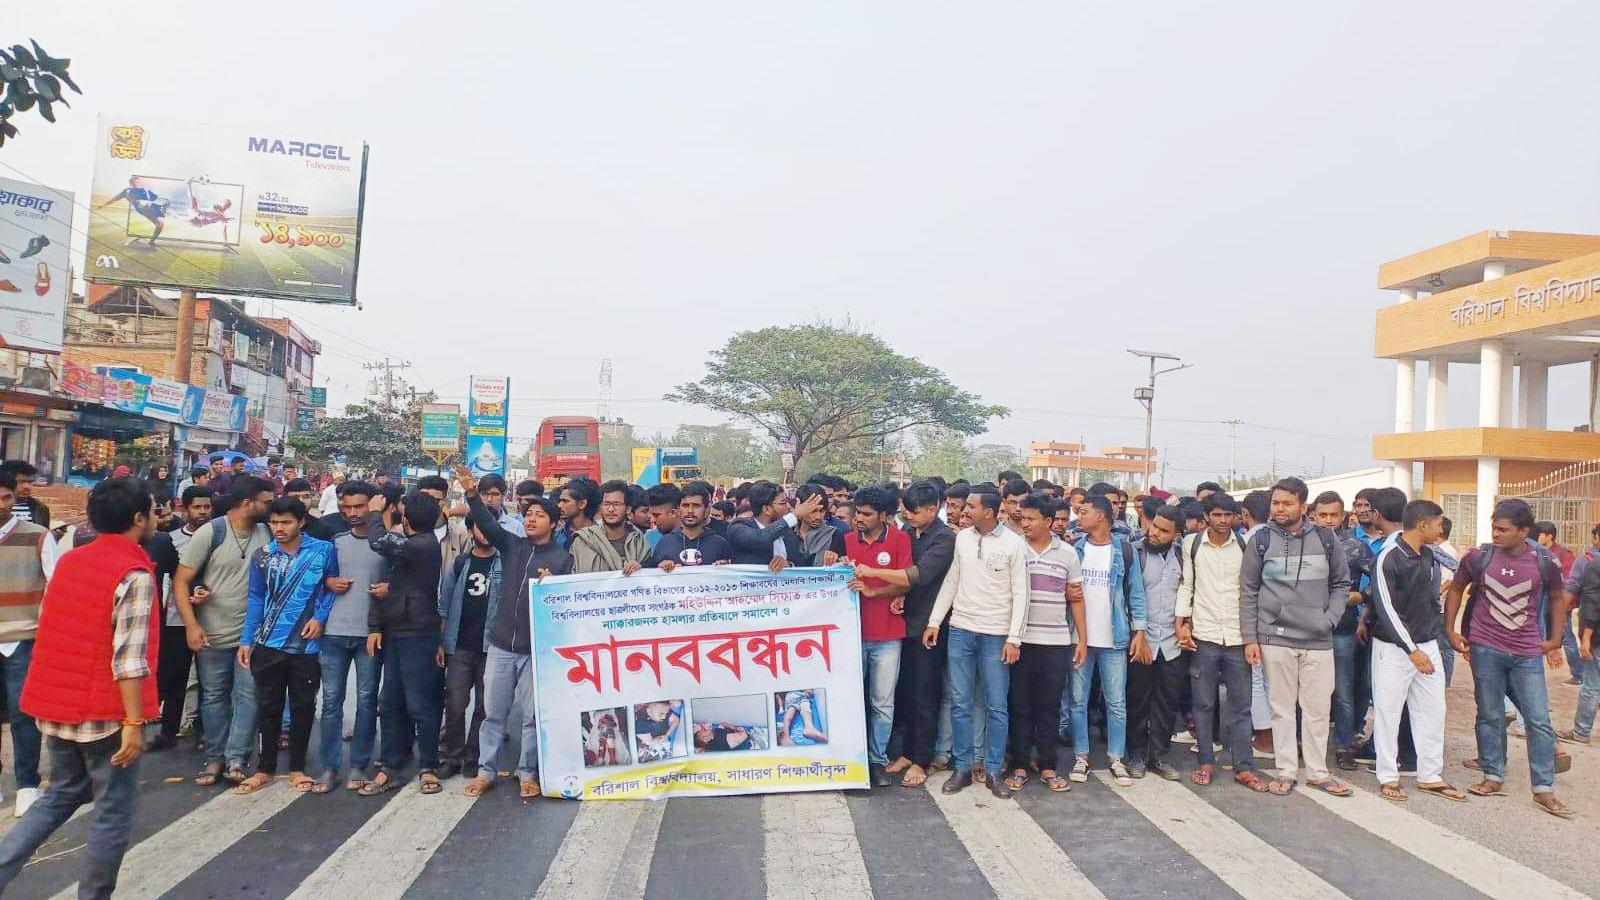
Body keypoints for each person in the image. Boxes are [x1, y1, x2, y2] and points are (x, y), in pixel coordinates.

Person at [0, 477, 157, 897]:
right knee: (112, 811)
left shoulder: (71, 561)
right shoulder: (134, 573)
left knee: (61, 794)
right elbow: (129, 659)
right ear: (138, 519)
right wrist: (134, 722)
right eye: (152, 512)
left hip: (55, 703)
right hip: (103, 713)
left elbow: (55, 629)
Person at [1445, 498, 1573, 817]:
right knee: (1489, 714)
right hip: (1485, 648)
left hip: (1526, 652)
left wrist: (1556, 638)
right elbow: (1457, 588)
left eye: (1504, 529)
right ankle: (1492, 775)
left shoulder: (1543, 562)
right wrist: (1451, 629)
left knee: (1538, 719)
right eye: (1494, 528)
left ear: (1523, 531)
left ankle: (1543, 788)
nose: (1497, 534)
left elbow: (1559, 597)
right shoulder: (1479, 557)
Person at [460, 468, 571, 799]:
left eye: (539, 515)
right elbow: (487, 522)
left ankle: (527, 772)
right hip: (500, 645)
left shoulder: (562, 559)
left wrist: (554, 587)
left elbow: (566, 606)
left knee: (531, 716)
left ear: (554, 524)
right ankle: (486, 771)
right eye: (528, 514)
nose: (532, 519)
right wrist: (471, 495)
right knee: (492, 712)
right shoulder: (511, 545)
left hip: (536, 650)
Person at [1241, 477, 1351, 797]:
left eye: (1287, 503)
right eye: (1276, 503)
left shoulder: (1326, 539)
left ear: (1304, 507)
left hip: (1318, 638)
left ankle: (1318, 772)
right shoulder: (1260, 541)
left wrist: (1329, 618)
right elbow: (1248, 591)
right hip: (1274, 637)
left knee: (1317, 708)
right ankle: (1286, 770)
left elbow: (1341, 584)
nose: (1280, 509)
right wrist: (1251, 637)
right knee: (1282, 708)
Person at [924, 488, 1027, 798]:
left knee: (997, 704)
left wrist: (1014, 638)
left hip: (996, 635)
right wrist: (934, 621)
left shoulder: (1013, 544)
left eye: (971, 505)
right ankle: (963, 767)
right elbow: (953, 579)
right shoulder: (963, 538)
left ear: (990, 512)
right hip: (961, 630)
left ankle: (993, 769)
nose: (964, 510)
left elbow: (1022, 593)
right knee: (960, 701)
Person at [175, 476, 274, 787]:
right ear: (248, 503)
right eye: (266, 502)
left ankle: (237, 759)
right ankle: (215, 758)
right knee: (215, 696)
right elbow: (181, 581)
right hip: (212, 633)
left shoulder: (267, 532)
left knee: (248, 696)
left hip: (252, 636)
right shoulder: (211, 532)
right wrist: (191, 624)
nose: (270, 508)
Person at [234, 498, 335, 795]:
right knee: (268, 706)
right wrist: (246, 639)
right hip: (267, 643)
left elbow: (331, 588)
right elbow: (255, 598)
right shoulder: (263, 556)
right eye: (274, 523)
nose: (279, 528)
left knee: (303, 707)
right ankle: (264, 769)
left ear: (301, 522)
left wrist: (320, 618)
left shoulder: (323, 551)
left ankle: (297, 768)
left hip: (307, 646)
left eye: (286, 522)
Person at [860, 481, 953, 788]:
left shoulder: (943, 539)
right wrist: (891, 592)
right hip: (904, 625)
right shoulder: (911, 535)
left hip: (930, 627)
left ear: (933, 508)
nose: (909, 517)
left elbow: (916, 575)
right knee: (908, 694)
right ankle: (907, 752)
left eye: (914, 512)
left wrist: (871, 573)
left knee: (926, 694)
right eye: (906, 512)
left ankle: (922, 760)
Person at [1370, 499, 1465, 802]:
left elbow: (1460, 572)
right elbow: (1385, 608)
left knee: (1433, 711)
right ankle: (1388, 775)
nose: (1442, 528)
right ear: (1423, 524)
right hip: (1395, 649)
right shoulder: (1388, 557)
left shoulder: (1430, 554)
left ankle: (1430, 774)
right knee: (1389, 711)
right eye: (1438, 522)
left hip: (1428, 644)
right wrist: (1410, 649)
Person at [360, 489, 446, 797]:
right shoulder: (417, 544)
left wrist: (374, 511)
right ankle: (391, 766)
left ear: (407, 517)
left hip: (418, 634)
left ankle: (428, 766)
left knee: (419, 703)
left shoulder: (421, 544)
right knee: (391, 701)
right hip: (398, 630)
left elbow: (378, 541)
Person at [1177, 492, 1262, 790]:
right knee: (1203, 704)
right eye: (1217, 515)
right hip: (1205, 635)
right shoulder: (1193, 544)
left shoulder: (1245, 544)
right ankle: (1205, 761)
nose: (1223, 521)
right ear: (1206, 517)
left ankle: (1244, 766)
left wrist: (1253, 634)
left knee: (1241, 706)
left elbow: (1253, 589)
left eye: (1229, 515)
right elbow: (1187, 585)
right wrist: (1181, 623)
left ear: (1237, 517)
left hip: (1239, 637)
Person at [1002, 492, 1085, 793]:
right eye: (1023, 518)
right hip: (1020, 640)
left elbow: (1076, 599)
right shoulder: (1014, 549)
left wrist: (1082, 640)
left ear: (1049, 522)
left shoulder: (1068, 554)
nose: (1025, 524)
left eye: (1031, 519)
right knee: (1020, 705)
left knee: (1049, 707)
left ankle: (1048, 765)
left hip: (1056, 642)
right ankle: (1019, 764)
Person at [1068, 493, 1148, 787]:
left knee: (1116, 702)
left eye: (1084, 511)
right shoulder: (1075, 550)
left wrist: (1139, 631)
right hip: (1080, 639)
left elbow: (1136, 594)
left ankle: (1116, 757)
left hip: (1114, 638)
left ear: (1100, 515)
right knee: (1077, 700)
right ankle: (1081, 756)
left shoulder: (1123, 551)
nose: (1079, 517)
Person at [317, 481, 386, 792]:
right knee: (331, 701)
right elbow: (315, 578)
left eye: (359, 506)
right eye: (347, 507)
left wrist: (390, 589)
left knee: (367, 700)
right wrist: (328, 581)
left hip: (370, 635)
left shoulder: (386, 543)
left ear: (372, 505)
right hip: (333, 632)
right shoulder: (334, 542)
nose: (353, 513)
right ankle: (330, 767)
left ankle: (359, 764)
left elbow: (405, 581)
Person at [844, 484, 912, 787]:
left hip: (887, 634)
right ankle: (851, 758)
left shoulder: (900, 540)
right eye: (857, 512)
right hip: (850, 634)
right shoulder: (844, 540)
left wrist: (874, 588)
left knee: (882, 702)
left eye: (866, 514)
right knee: (851, 699)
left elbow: (906, 582)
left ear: (884, 516)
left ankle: (877, 759)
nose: (859, 518)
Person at [0, 470, 56, 815]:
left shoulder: (38, 537)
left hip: (23, 639)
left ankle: (27, 784)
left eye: (6, 498)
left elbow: (57, 588)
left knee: (24, 713)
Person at [150, 486, 212, 753]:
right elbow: (166, 579)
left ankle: (205, 731)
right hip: (175, 619)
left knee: (210, 680)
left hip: (212, 618)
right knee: (174, 677)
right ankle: (169, 730)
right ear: (184, 509)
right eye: (197, 507)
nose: (203, 512)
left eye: (207, 507)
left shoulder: (218, 537)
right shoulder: (169, 540)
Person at [1127, 504, 1186, 781]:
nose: (1155, 533)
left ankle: (1159, 757)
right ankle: (1136, 756)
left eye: (1164, 531)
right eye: (1154, 526)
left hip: (1172, 644)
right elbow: (1126, 597)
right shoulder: (1135, 553)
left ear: (1176, 535)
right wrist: (1136, 635)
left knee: (1166, 703)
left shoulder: (1184, 557)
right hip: (1142, 641)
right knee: (1138, 701)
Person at [437, 520, 498, 780]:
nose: (484, 534)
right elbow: (444, 603)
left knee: (485, 706)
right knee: (455, 703)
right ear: (471, 530)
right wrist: (440, 642)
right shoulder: (460, 563)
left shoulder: (504, 564)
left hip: (491, 647)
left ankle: (473, 756)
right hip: (459, 645)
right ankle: (452, 755)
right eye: (480, 528)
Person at [728, 481, 817, 568]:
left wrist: (789, 565)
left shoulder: (787, 533)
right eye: (783, 503)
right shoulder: (738, 528)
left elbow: (801, 565)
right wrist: (794, 515)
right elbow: (760, 539)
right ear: (766, 509)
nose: (788, 507)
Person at [1533, 521, 1582, 679]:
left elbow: (1569, 583)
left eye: (1539, 534)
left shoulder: (1563, 554)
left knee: (1566, 638)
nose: (1536, 536)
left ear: (1549, 536)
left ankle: (1578, 673)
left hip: (1558, 604)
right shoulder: (1535, 552)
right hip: (1540, 603)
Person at [570, 480, 650, 574]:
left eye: (616, 504)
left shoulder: (639, 542)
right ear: (600, 507)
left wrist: (641, 568)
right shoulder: (584, 540)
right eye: (606, 504)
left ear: (628, 509)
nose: (611, 509)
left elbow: (650, 577)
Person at [649, 482, 733, 571]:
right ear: (678, 509)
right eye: (685, 506)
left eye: (696, 506)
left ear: (707, 510)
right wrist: (661, 568)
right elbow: (652, 579)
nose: (690, 511)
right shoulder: (664, 543)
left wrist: (727, 568)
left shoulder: (720, 545)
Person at [98, 175, 172, 246]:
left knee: (160, 224)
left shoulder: (146, 191)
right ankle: (162, 210)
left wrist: (164, 202)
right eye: (133, 182)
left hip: (150, 209)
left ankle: (152, 241)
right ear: (130, 183)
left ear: (139, 182)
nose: (135, 183)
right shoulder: (127, 191)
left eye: (136, 182)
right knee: (141, 202)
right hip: (141, 207)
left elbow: (157, 199)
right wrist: (103, 205)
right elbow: (115, 199)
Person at [793, 483, 846, 566]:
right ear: (800, 508)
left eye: (822, 511)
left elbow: (841, 569)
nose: (818, 517)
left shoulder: (834, 535)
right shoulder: (787, 534)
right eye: (813, 511)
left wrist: (837, 561)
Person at [555, 478, 599, 549]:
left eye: (565, 501)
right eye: (560, 501)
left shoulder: (599, 536)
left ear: (582, 504)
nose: (559, 505)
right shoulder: (557, 536)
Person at [644, 483, 681, 551]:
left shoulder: (694, 540)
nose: (652, 520)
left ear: (673, 513)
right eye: (650, 515)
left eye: (656, 515)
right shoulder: (649, 538)